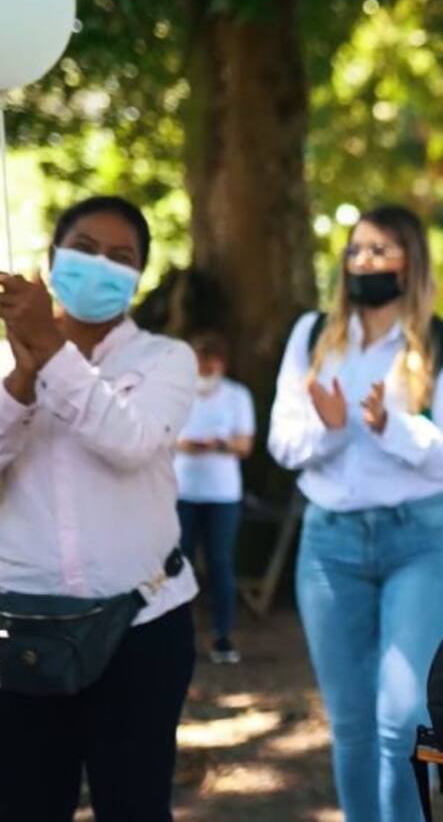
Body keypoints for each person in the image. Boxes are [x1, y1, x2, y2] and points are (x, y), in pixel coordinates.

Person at [268, 205, 443, 822]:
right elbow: (283, 443)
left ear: (411, 261)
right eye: (356, 250)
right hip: (330, 546)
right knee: (353, 722)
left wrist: (390, 427)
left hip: (420, 541)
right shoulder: (312, 336)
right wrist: (331, 431)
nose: (364, 261)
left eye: (380, 249)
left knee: (403, 717)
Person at [0, 195, 198, 821]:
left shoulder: (167, 359)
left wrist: (52, 354)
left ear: (139, 278)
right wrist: (22, 382)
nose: (101, 265)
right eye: (84, 248)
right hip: (20, 631)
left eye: (121, 257)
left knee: (135, 806)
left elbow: (130, 441)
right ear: (51, 258)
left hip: (142, 624)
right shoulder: (7, 361)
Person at [175, 330, 255, 664]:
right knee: (181, 564)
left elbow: (245, 444)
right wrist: (187, 445)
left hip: (222, 494)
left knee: (221, 563)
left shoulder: (237, 396)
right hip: (183, 490)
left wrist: (219, 445)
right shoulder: (178, 394)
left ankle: (222, 635)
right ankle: (180, 636)